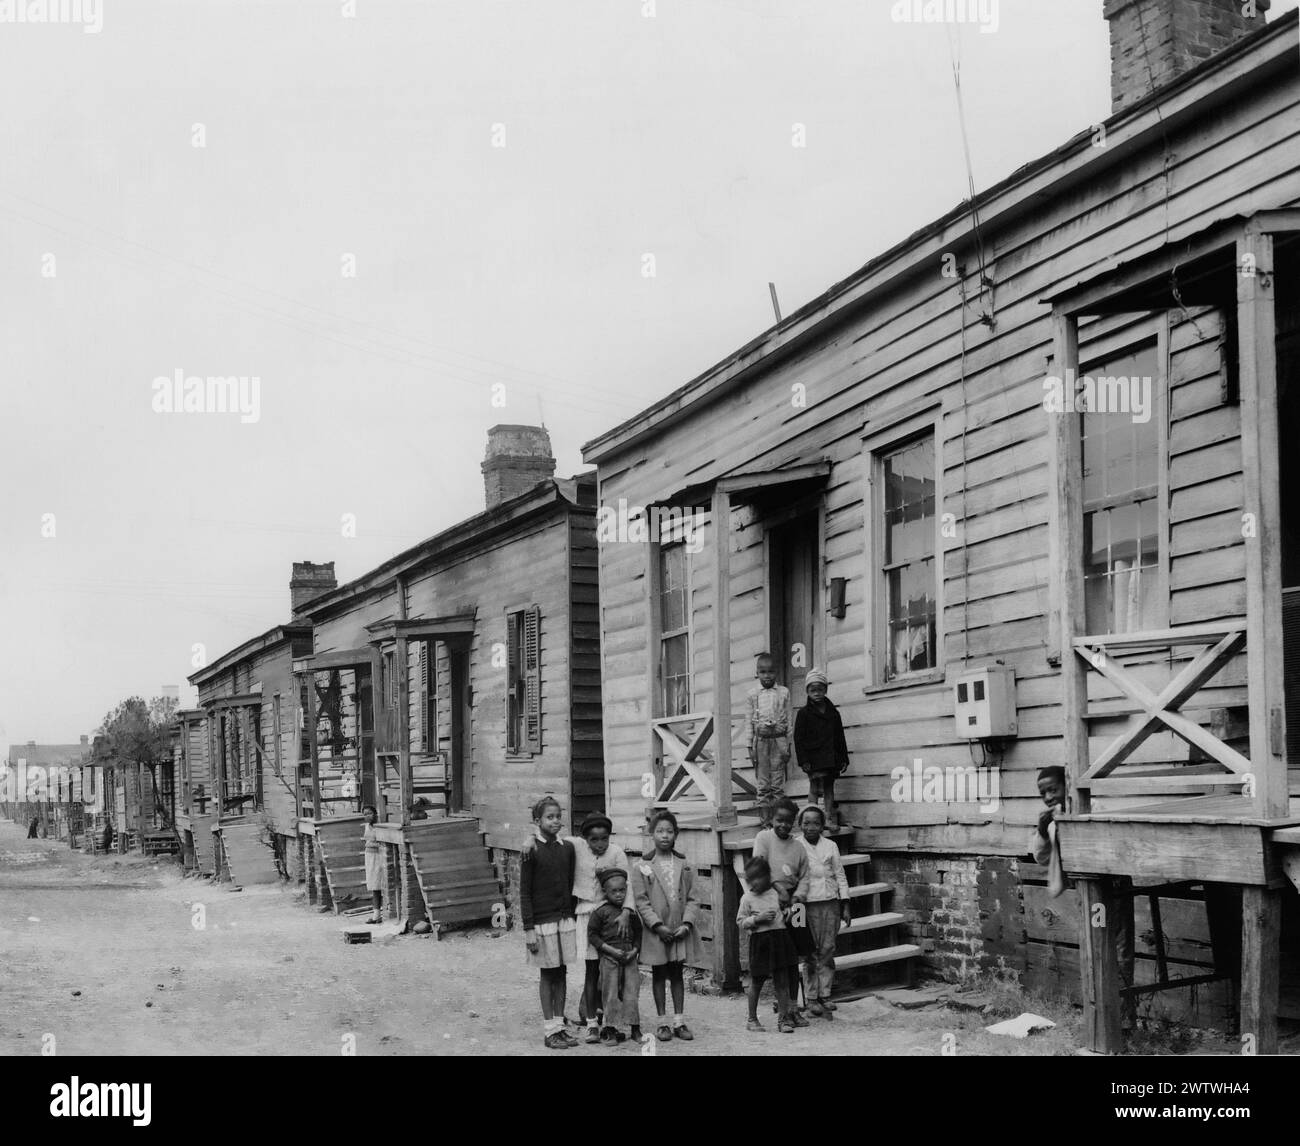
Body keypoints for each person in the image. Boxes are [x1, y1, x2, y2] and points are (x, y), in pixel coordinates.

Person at [1029, 766, 1136, 1028]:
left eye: (1053, 790)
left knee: (1118, 950)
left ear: (1068, 785)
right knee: (1093, 948)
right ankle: (1100, 1016)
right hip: (1087, 890)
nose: (1047, 797)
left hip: (1113, 887)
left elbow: (1111, 844)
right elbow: (1040, 857)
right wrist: (1043, 831)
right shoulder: (1052, 821)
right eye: (1043, 793)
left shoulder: (1094, 808)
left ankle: (1123, 1021)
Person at [521, 809, 633, 1043]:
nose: (600, 844)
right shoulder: (575, 846)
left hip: (610, 917)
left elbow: (628, 885)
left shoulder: (617, 853)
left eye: (605, 838)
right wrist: (530, 838)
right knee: (591, 971)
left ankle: (614, 1022)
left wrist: (625, 912)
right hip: (585, 915)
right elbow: (549, 836)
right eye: (594, 839)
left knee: (613, 971)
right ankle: (591, 1023)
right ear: (585, 839)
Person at [631, 810, 703, 1042]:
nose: (664, 836)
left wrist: (686, 923)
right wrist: (657, 925)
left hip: (679, 929)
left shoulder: (684, 864)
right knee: (659, 974)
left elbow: (693, 898)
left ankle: (679, 1022)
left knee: (677, 974)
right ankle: (662, 1023)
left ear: (676, 834)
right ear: (651, 834)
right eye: (660, 831)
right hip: (657, 932)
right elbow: (641, 901)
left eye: (669, 831)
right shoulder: (642, 866)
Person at [520, 795, 580, 1049]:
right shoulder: (531, 849)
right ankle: (549, 1030)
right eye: (549, 817)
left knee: (562, 972)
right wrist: (529, 929)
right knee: (548, 974)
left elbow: (569, 884)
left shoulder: (567, 848)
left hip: (564, 920)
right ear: (537, 821)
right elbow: (524, 892)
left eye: (558, 816)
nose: (555, 821)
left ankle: (560, 1026)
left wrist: (571, 916)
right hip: (542, 923)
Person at [752, 798, 811, 1023]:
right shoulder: (763, 838)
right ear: (771, 819)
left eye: (789, 822)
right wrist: (778, 889)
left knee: (794, 957)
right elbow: (759, 868)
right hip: (772, 903)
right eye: (779, 820)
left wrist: (796, 897)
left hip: (795, 905)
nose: (784, 826)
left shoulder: (798, 847)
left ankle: (794, 1008)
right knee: (780, 959)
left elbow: (805, 876)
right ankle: (784, 1009)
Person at [798, 805, 852, 1017]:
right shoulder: (796, 846)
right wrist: (794, 910)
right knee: (809, 951)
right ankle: (811, 998)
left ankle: (825, 994)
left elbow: (840, 875)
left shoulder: (831, 845)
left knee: (828, 949)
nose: (811, 827)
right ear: (800, 824)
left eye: (816, 823)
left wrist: (845, 904)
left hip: (830, 903)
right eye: (806, 823)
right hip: (804, 905)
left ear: (822, 826)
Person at [736, 855, 798, 1033]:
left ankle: (784, 1019)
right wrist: (757, 919)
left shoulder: (775, 893)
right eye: (750, 879)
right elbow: (740, 922)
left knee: (782, 981)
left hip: (780, 939)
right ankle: (752, 1019)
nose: (754, 883)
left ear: (768, 877)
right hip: (761, 942)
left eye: (759, 878)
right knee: (756, 981)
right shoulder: (747, 899)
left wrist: (788, 913)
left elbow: (784, 909)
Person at [587, 868, 642, 1046]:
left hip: (629, 958)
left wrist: (634, 951)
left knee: (632, 993)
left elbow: (639, 933)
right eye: (614, 891)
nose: (619, 895)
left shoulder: (630, 912)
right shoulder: (600, 912)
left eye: (622, 890)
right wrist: (610, 951)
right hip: (610, 959)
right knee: (610, 994)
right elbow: (592, 935)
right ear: (605, 892)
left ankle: (635, 1028)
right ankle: (610, 1029)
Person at [793, 669, 850, 829]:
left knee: (828, 788)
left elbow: (840, 736)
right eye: (813, 690)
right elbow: (798, 738)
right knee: (814, 786)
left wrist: (844, 758)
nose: (817, 693)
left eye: (820, 689)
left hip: (831, 757)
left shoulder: (833, 713)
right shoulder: (804, 714)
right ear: (807, 691)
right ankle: (811, 820)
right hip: (813, 757)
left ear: (825, 690)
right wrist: (803, 760)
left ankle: (829, 819)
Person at [745, 652, 792, 828]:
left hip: (779, 741)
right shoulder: (752, 694)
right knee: (763, 784)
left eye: (770, 672)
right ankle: (765, 823)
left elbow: (789, 718)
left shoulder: (783, 692)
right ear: (757, 672)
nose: (767, 676)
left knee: (778, 785)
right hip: (761, 742)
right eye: (763, 672)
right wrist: (749, 744)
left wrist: (789, 743)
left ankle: (779, 821)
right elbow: (748, 721)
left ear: (776, 672)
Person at [361, 804, 384, 924]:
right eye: (365, 814)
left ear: (375, 814)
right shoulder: (367, 826)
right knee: (373, 885)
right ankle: (376, 914)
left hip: (379, 856)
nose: (367, 816)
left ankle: (381, 913)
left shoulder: (379, 826)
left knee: (380, 884)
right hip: (369, 857)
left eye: (369, 813)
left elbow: (382, 843)